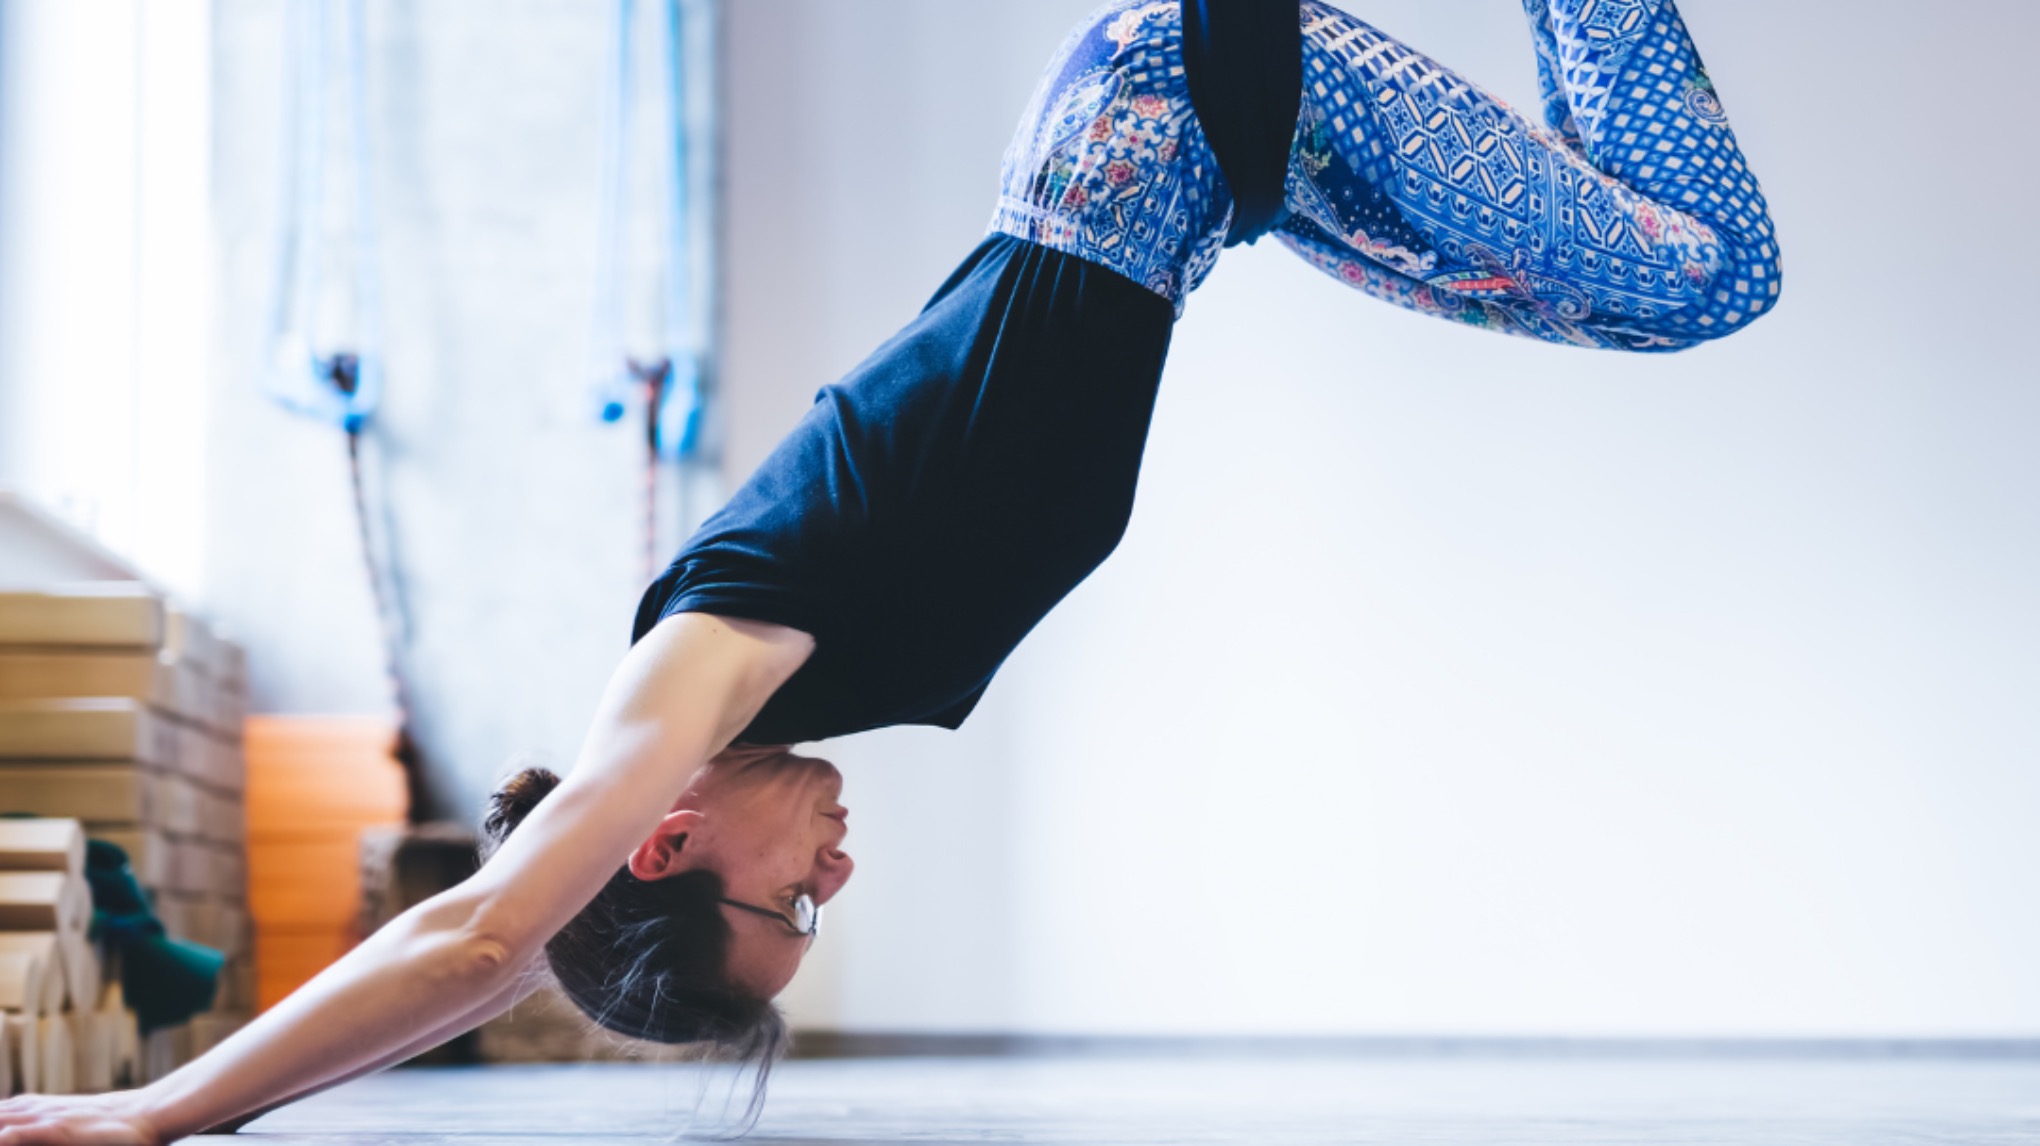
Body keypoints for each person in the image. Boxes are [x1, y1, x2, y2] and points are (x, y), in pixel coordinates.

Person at [0, 0, 1777, 1140]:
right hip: (1221, 172)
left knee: (1703, 277)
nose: (837, 874)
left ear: (667, 843)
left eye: (798, 909)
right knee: (1593, 289)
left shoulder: (696, 664)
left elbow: (478, 937)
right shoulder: (804, 668)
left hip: (1170, 108)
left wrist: (162, 1113)